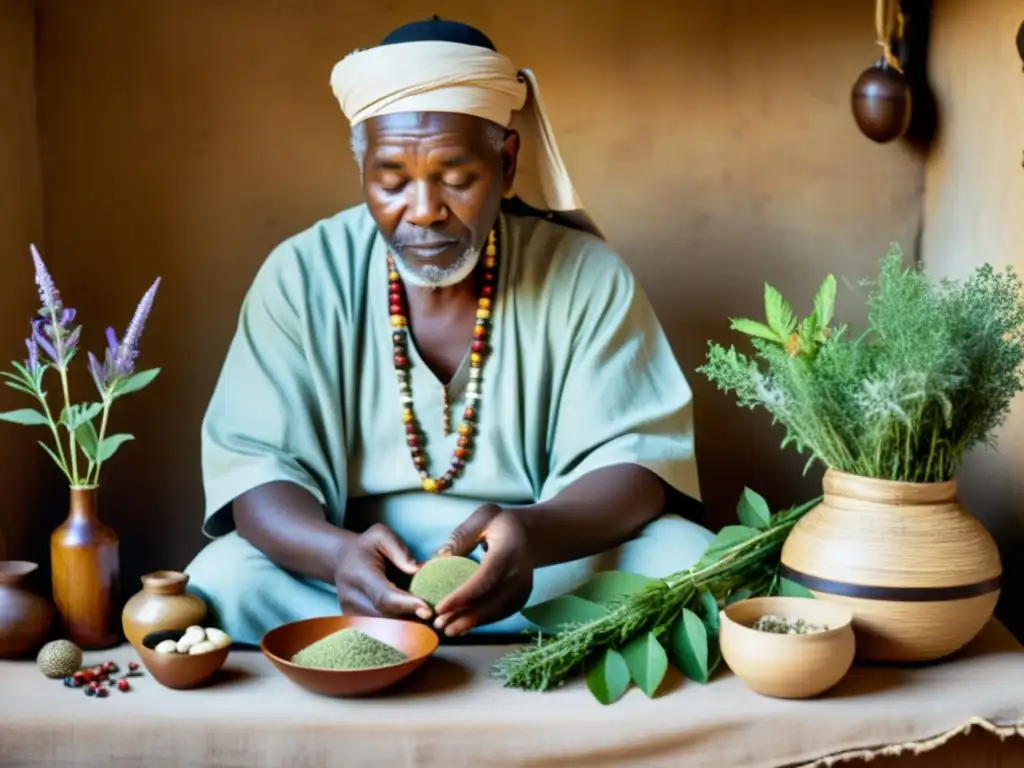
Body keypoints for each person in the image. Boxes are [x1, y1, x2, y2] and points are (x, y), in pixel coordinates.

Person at [183, 16, 715, 646]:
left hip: (540, 564)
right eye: (391, 180)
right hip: (355, 575)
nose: (425, 209)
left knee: (690, 566)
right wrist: (335, 557)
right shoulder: (302, 273)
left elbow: (638, 462)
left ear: (507, 162)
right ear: (362, 170)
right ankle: (374, 611)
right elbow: (256, 468)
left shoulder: (584, 275)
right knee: (220, 581)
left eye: (456, 177)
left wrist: (533, 536)